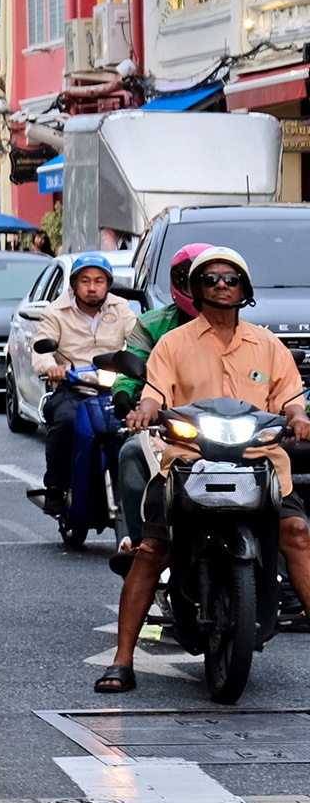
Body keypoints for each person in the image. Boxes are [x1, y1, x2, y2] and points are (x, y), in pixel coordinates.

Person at [103, 248, 310, 694]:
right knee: (152, 549)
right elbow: (154, 393)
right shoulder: (172, 344)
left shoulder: (269, 345)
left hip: (260, 460)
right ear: (195, 290)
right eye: (210, 278)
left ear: (244, 289)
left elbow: (292, 397)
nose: (221, 285)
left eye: (230, 279)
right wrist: (144, 410)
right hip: (189, 461)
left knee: (297, 532)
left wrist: (298, 417)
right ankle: (122, 659)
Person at [104, 244, 209, 577]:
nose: (217, 288)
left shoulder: (252, 334)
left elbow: (278, 383)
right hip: (171, 426)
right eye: (197, 279)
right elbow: (137, 371)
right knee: (132, 453)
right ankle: (142, 546)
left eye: (224, 280)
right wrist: (125, 395)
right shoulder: (155, 329)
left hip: (226, 428)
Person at [30, 253, 139, 515]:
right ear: (74, 285)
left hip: (113, 387)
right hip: (73, 388)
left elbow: (139, 341)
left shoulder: (121, 308)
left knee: (140, 426)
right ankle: (55, 489)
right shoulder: (55, 312)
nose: (92, 287)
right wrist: (52, 368)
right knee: (66, 424)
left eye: (99, 281)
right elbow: (41, 350)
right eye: (85, 281)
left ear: (108, 284)